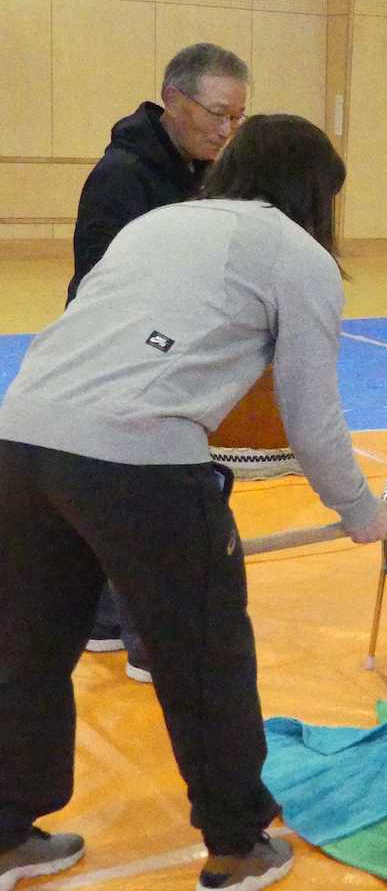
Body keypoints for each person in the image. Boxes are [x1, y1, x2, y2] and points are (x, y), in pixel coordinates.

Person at [0, 114, 387, 891]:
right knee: (204, 657)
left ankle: (7, 832)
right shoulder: (299, 256)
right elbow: (311, 419)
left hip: (18, 443)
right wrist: (361, 511)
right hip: (137, 463)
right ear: (316, 194)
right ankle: (238, 843)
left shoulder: (158, 225)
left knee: (26, 652)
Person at [68, 42, 250, 681]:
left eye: (238, 119)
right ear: (174, 101)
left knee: (117, 498)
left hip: (161, 362)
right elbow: (103, 285)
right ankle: (157, 645)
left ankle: (107, 621)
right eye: (217, 114)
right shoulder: (123, 176)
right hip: (122, 363)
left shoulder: (201, 172)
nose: (227, 130)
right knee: (161, 503)